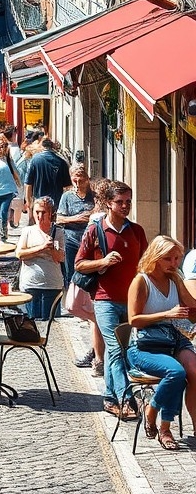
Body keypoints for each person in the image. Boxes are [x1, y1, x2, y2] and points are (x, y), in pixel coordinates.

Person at [74, 180, 148, 420]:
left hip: (131, 301)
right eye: (120, 202)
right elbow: (79, 265)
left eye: (128, 201)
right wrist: (103, 262)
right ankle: (126, 399)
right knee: (115, 348)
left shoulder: (136, 232)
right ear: (108, 203)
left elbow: (147, 264)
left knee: (123, 350)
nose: (125, 206)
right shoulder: (95, 230)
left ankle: (108, 397)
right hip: (105, 299)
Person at [126, 236, 196, 450]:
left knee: (194, 370)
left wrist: (179, 283)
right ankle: (159, 421)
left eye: (177, 258)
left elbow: (193, 310)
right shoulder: (141, 281)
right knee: (176, 373)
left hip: (173, 340)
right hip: (145, 345)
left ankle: (193, 425)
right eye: (169, 259)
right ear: (155, 257)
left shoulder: (174, 278)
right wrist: (167, 313)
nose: (174, 264)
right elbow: (133, 320)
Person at [58, 165, 102, 371]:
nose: (78, 181)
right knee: (72, 278)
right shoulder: (66, 197)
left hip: (92, 247)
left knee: (88, 283)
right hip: (72, 241)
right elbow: (59, 219)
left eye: (81, 178)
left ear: (87, 178)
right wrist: (79, 218)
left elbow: (93, 216)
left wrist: (85, 218)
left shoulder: (94, 196)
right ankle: (87, 313)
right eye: (75, 178)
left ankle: (91, 313)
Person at [14, 196, 65, 320]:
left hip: (52, 286)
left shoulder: (58, 232)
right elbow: (20, 254)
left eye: (43, 212)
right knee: (32, 326)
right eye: (37, 212)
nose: (40, 216)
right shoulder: (28, 231)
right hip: (31, 286)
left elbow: (61, 258)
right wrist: (41, 248)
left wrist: (52, 248)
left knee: (52, 327)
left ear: (51, 214)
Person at [24, 138, 71, 222]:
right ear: (52, 147)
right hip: (56, 201)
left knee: (39, 223)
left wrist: (29, 203)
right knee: (53, 225)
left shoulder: (35, 160)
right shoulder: (61, 162)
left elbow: (28, 184)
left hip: (39, 200)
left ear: (42, 147)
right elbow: (67, 187)